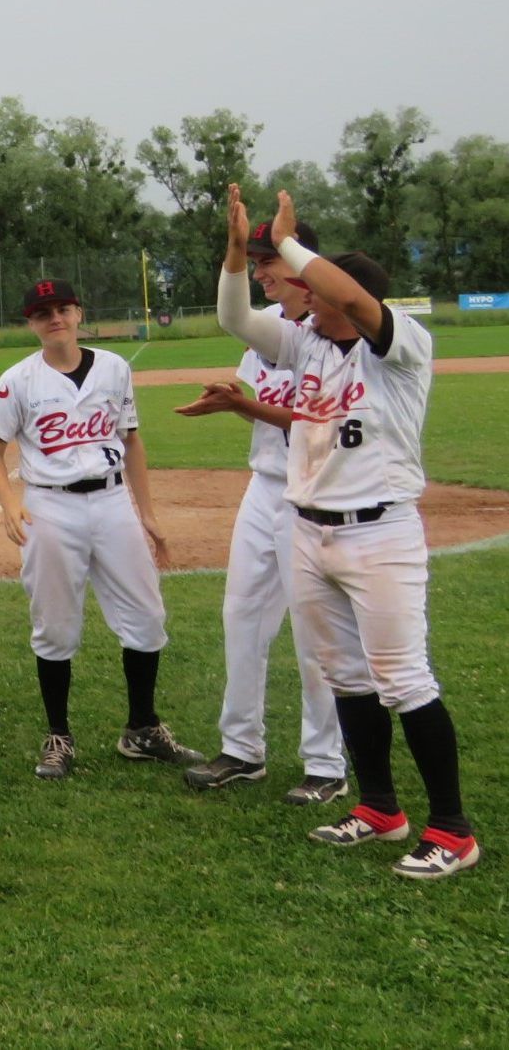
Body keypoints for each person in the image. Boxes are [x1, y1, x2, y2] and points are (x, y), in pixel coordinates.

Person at [216, 186, 479, 879]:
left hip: (381, 534)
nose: (302, 292)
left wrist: (294, 240)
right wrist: (243, 247)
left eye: (314, 285)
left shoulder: (400, 347)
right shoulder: (305, 342)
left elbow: (353, 299)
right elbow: (233, 314)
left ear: (349, 297)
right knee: (346, 677)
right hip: (310, 531)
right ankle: (380, 808)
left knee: (403, 679)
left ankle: (452, 829)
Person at [0, 279, 202, 780]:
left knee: (147, 615)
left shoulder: (114, 368)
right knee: (55, 625)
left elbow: (133, 442)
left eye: (62, 308)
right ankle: (58, 735)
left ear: (79, 313)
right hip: (50, 506)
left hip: (111, 500)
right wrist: (9, 505)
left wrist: (147, 514)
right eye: (42, 312)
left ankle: (142, 729)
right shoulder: (18, 379)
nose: (54, 318)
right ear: (31, 323)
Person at [178, 220, 348, 802]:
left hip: (318, 497)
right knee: (242, 616)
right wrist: (234, 400)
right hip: (264, 489)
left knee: (314, 631)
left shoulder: (342, 337)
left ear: (308, 268)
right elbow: (251, 368)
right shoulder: (269, 332)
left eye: (268, 261)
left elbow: (314, 418)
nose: (260, 272)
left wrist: (242, 405)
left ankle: (325, 763)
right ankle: (242, 750)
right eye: (253, 262)